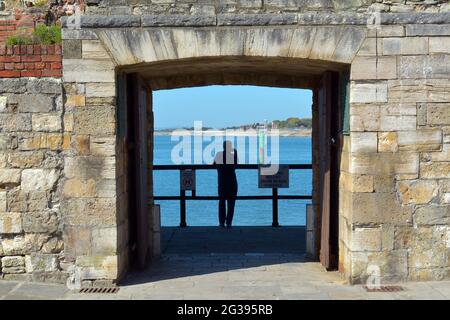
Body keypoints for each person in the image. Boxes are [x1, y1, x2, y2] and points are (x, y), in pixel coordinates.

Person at [213, 140, 238, 228]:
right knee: (231, 203)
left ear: (223, 147)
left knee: (222, 202)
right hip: (232, 182)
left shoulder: (218, 155)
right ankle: (229, 222)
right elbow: (236, 164)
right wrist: (235, 151)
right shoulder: (232, 155)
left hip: (222, 182)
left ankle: (221, 222)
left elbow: (213, 164)